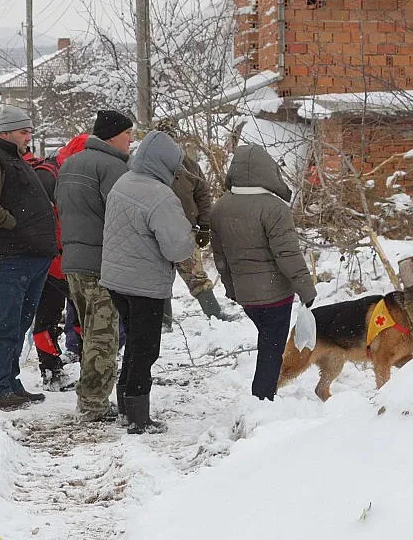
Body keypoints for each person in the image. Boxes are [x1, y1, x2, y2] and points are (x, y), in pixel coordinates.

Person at [0, 105, 57, 411]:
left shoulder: (12, 158)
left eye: (30, 131)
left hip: (26, 256)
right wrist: (13, 226)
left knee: (18, 324)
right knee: (5, 326)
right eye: (23, 131)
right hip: (4, 257)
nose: (28, 137)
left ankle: (11, 382)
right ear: (5, 132)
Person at [101, 130, 194, 433]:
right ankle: (138, 417)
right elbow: (178, 248)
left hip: (117, 280)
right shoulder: (160, 195)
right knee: (145, 349)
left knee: (134, 344)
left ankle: (126, 406)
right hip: (144, 285)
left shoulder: (124, 181)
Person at [209, 144, 317, 401]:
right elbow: (287, 254)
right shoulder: (274, 208)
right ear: (267, 171)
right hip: (275, 295)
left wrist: (231, 288)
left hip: (246, 296)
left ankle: (263, 395)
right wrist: (306, 289)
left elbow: (220, 256)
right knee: (271, 347)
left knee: (267, 340)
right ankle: (262, 398)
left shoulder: (220, 207)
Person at [55, 109, 133, 422]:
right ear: (113, 135)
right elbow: (121, 215)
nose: (131, 139)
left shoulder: (71, 163)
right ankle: (93, 403)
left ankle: (90, 397)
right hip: (102, 262)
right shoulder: (113, 167)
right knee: (104, 337)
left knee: (90, 331)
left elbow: (59, 206)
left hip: (72, 260)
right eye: (128, 133)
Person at [153, 119, 232, 329]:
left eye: (172, 138)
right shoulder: (146, 166)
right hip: (154, 233)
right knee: (158, 278)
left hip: (184, 232)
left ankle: (214, 314)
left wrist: (204, 226)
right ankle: (163, 321)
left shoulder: (189, 165)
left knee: (196, 275)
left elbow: (203, 196)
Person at [23, 133, 87, 391]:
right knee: (70, 315)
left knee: (55, 316)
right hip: (58, 257)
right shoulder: (52, 176)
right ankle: (56, 370)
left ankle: (54, 370)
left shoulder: (56, 170)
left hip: (58, 256)